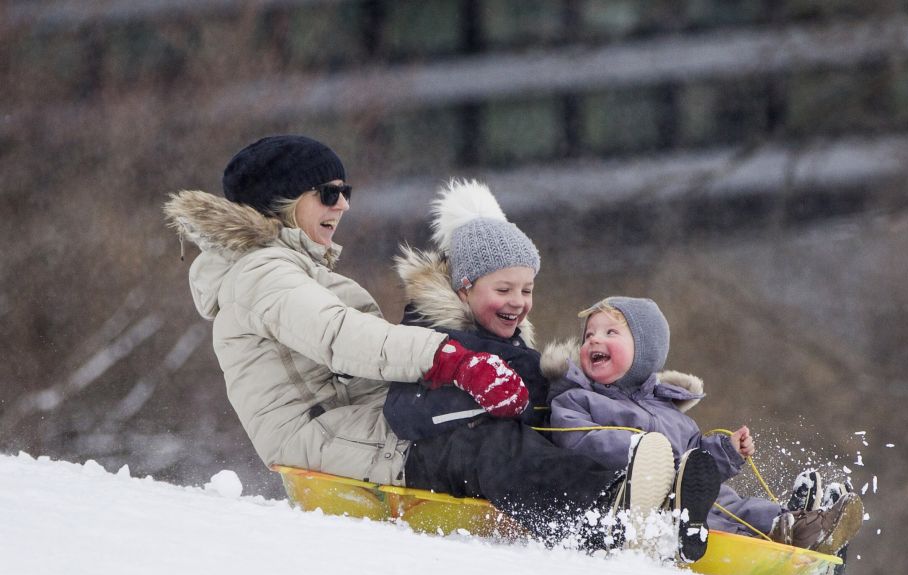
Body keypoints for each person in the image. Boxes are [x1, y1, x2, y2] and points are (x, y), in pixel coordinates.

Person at [162, 135, 683, 553]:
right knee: (481, 443)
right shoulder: (263, 275)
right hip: (328, 437)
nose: (342, 204)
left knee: (530, 399)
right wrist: (450, 360)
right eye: (327, 192)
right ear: (282, 200)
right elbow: (341, 338)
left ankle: (658, 481)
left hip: (361, 421)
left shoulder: (299, 272)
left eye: (346, 192)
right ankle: (603, 515)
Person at [383, 178, 720, 560]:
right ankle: (598, 517)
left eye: (526, 291)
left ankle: (707, 511)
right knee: (498, 444)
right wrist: (484, 396)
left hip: (486, 468)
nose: (518, 302)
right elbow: (404, 410)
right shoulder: (428, 337)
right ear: (464, 289)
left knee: (571, 426)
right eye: (504, 290)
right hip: (422, 459)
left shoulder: (512, 345)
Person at [545, 296, 865, 556]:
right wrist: (643, 454)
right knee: (716, 514)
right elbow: (576, 440)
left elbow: (697, 459)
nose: (593, 340)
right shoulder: (577, 398)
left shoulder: (671, 412)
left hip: (691, 493)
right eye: (589, 335)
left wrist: (726, 452)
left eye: (609, 333)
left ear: (644, 351)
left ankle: (796, 520)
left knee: (732, 503)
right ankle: (795, 531)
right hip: (644, 500)